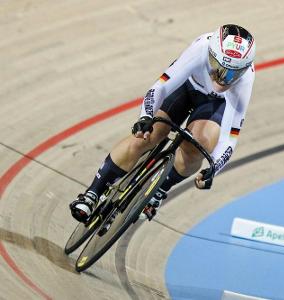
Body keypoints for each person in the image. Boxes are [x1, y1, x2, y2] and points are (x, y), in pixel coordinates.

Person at [70, 24, 256, 222]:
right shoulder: (200, 49)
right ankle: (92, 193)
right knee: (148, 135)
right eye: (219, 68)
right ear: (211, 55)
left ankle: (159, 189)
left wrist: (214, 168)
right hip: (187, 85)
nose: (224, 78)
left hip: (213, 103)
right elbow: (161, 87)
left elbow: (231, 134)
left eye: (232, 73)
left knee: (199, 146)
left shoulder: (245, 79)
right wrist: (145, 117)